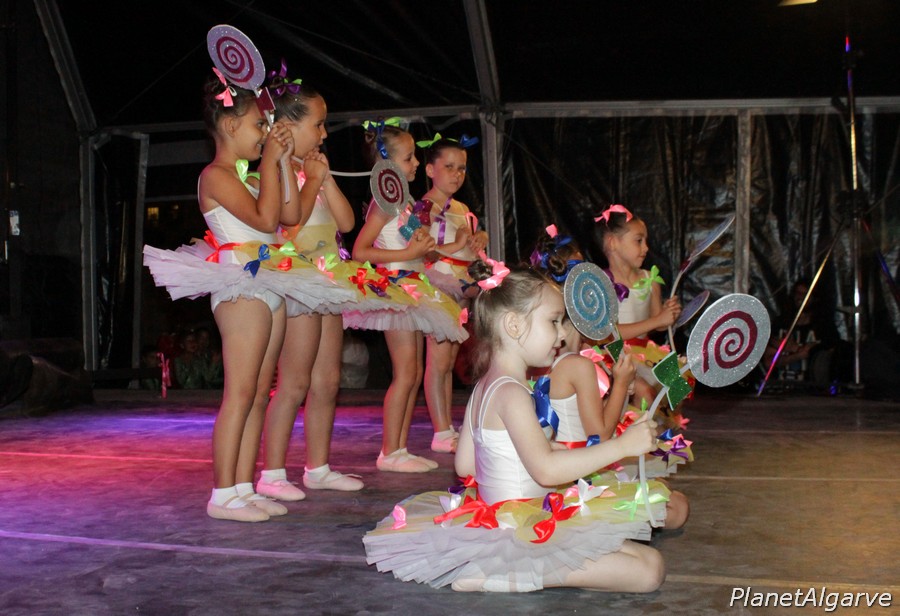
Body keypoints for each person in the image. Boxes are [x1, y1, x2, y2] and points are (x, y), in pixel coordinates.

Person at [364, 267, 667, 592]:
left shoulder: (485, 387)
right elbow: (546, 471)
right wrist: (622, 447)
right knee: (649, 571)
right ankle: (508, 575)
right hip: (522, 529)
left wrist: (530, 455)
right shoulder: (513, 393)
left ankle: (507, 568)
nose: (561, 335)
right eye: (553, 322)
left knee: (646, 560)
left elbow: (465, 466)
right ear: (514, 325)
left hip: (508, 520)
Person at [144, 70, 350, 521]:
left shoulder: (248, 175)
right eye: (259, 124)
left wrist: (281, 163)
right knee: (239, 393)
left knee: (258, 391)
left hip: (270, 280)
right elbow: (263, 220)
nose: (264, 132)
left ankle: (243, 485)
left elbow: (288, 215)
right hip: (241, 284)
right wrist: (272, 158)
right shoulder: (215, 176)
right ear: (231, 125)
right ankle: (222, 494)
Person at [533, 230, 690, 529]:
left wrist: (623, 387)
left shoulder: (547, 356)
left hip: (576, 461)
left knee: (667, 493)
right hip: (579, 473)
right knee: (676, 507)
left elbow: (598, 420)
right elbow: (601, 435)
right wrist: (620, 383)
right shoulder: (577, 363)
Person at [256, 76, 365, 501]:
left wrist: (325, 178)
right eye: (318, 124)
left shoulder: (314, 170)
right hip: (298, 280)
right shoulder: (278, 169)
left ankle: (318, 468)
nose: (324, 134)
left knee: (328, 380)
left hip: (327, 280)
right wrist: (313, 180)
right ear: (287, 126)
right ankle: (272, 473)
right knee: (295, 382)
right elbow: (289, 224)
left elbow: (347, 223)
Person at [352, 123, 466, 473]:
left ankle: (398, 448)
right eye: (409, 157)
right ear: (386, 164)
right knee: (404, 373)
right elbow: (360, 251)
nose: (416, 162)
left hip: (414, 286)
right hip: (396, 288)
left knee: (414, 371)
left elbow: (420, 252)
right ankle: (390, 451)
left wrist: (454, 246)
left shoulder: (404, 205)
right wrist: (408, 254)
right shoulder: (383, 205)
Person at [416, 137, 488, 453]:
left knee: (448, 361)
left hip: (459, 286)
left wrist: (478, 239)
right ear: (430, 169)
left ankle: (445, 425)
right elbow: (422, 253)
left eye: (461, 168)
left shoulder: (462, 210)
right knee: (438, 360)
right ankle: (441, 431)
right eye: (448, 167)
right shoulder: (423, 208)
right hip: (436, 284)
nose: (456, 174)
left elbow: (468, 252)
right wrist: (458, 245)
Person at [598, 205, 682, 408]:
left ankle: (663, 429)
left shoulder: (650, 279)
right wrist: (657, 320)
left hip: (645, 352)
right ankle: (639, 427)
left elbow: (659, 324)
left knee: (677, 387)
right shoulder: (601, 283)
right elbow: (609, 333)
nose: (646, 248)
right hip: (615, 355)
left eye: (646, 241)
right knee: (643, 390)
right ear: (612, 242)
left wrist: (668, 314)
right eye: (638, 241)